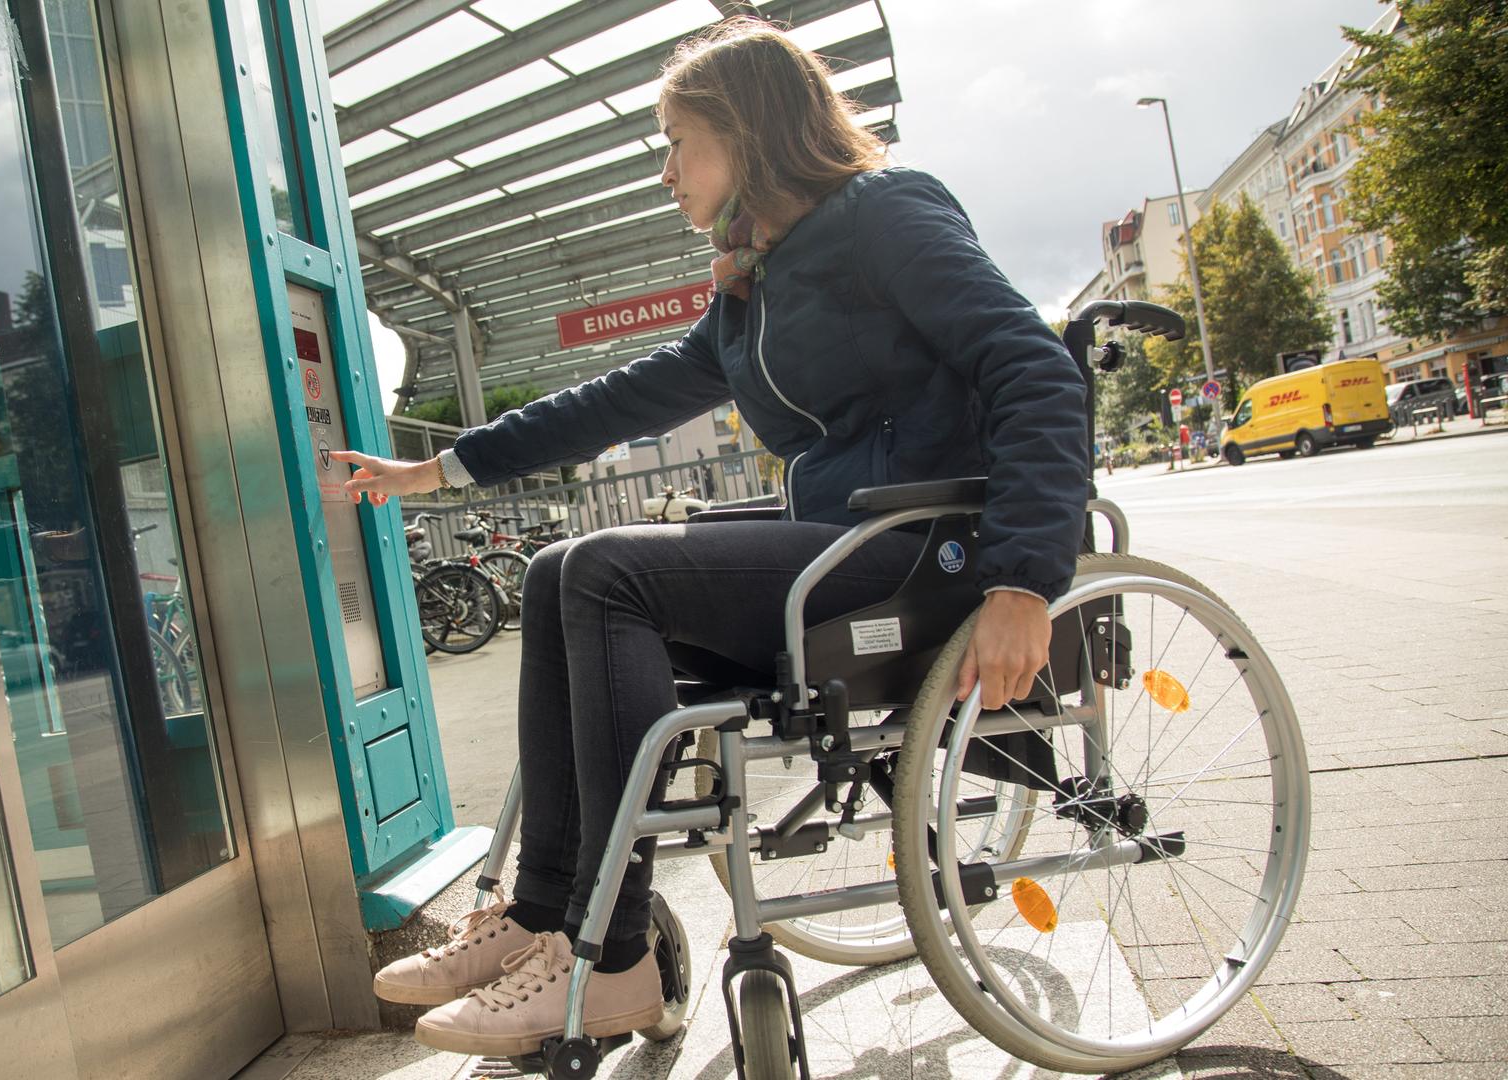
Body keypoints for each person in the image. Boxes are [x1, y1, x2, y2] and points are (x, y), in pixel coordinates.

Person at [331, 17, 1089, 1058]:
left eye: (679, 141)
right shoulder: (750, 292)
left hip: (923, 552)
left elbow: (1036, 369)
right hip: (834, 549)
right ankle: (547, 912)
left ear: (752, 133)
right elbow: (618, 398)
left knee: (602, 571)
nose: (665, 171)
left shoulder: (885, 215)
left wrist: (1023, 582)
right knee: (559, 567)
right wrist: (443, 467)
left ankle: (614, 955)